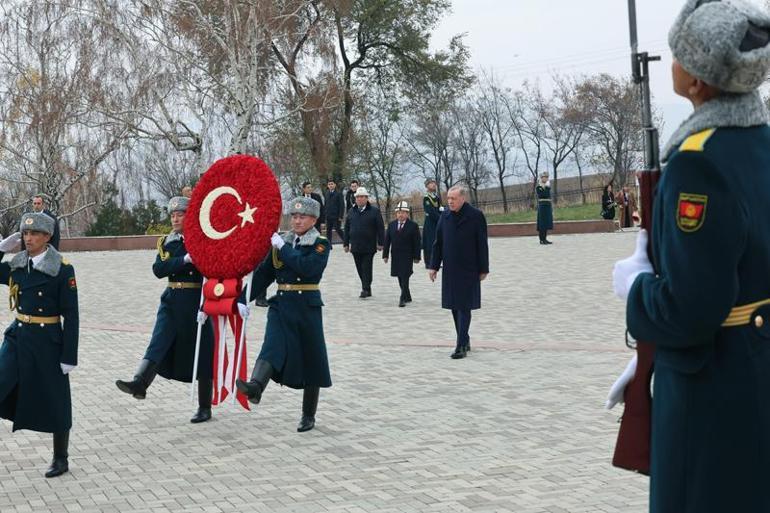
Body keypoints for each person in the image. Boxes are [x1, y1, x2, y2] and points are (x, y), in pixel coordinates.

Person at [611, 2, 770, 511]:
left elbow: (690, 309)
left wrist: (636, 287)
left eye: (679, 56)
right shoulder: (761, 144)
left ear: (698, 83)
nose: (673, 64)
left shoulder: (699, 163)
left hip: (711, 385)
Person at [235, 196, 331, 432]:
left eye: (303, 217)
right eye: (294, 216)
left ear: (314, 219)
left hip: (306, 305)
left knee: (312, 359)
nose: (297, 221)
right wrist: (242, 299)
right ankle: (256, 386)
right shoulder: (282, 242)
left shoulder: (319, 243)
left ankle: (308, 414)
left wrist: (283, 247)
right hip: (281, 303)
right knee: (272, 343)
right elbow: (264, 274)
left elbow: (308, 268)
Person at [115, 196, 215, 424]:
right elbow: (158, 269)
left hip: (196, 299)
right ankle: (140, 382)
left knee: (202, 351)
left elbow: (211, 266)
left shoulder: (203, 240)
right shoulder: (167, 242)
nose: (175, 218)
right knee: (158, 341)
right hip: (171, 299)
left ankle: (204, 406)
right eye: (172, 215)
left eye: (180, 214)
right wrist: (184, 260)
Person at [0, 213, 78, 477]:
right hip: (18, 336)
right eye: (25, 234)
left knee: (56, 399)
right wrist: (0, 249)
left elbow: (72, 315)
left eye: (34, 234)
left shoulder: (62, 269)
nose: (28, 239)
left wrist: (69, 355)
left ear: (47, 237)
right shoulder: (18, 264)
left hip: (48, 342)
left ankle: (61, 458)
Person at [428, 185, 489, 359]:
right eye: (448, 199)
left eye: (453, 199)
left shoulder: (475, 216)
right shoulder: (444, 216)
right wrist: (433, 266)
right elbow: (438, 243)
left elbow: (482, 244)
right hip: (450, 268)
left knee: (464, 306)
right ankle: (464, 337)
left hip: (469, 268)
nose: (450, 202)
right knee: (454, 306)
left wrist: (484, 268)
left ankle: (461, 344)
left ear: (463, 198)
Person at [343, 187, 384, 298]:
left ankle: (365, 288)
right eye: (358, 197)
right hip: (355, 246)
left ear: (366, 198)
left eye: (362, 197)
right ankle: (367, 287)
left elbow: (380, 228)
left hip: (369, 245)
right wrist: (346, 243)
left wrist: (381, 242)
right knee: (359, 268)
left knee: (366, 267)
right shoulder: (351, 211)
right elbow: (346, 228)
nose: (360, 199)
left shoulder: (374, 211)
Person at [383, 201, 421, 307]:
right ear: (396, 214)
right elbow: (387, 241)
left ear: (407, 214)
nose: (401, 214)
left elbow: (417, 242)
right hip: (395, 255)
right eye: (399, 212)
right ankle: (407, 295)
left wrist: (417, 256)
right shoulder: (391, 225)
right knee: (399, 276)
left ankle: (402, 297)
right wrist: (385, 255)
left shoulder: (413, 226)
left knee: (405, 276)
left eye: (403, 212)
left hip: (407, 256)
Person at [422, 178, 443, 267]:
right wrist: (440, 218)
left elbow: (439, 208)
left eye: (434, 183)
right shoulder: (427, 198)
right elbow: (430, 211)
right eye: (431, 183)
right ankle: (429, 262)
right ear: (427, 186)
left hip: (437, 222)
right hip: (430, 223)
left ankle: (436, 261)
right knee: (430, 242)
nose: (434, 185)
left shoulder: (436, 197)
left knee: (437, 241)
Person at [323, 179, 345, 244]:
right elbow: (325, 205)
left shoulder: (339, 193)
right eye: (329, 184)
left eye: (332, 184)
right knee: (328, 231)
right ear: (327, 185)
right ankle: (329, 244)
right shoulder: (326, 193)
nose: (330, 185)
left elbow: (342, 205)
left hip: (336, 216)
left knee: (338, 229)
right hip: (328, 216)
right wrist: (325, 215)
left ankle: (346, 241)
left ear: (335, 185)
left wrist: (341, 216)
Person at [536, 172, 554, 244]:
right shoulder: (539, 187)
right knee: (542, 223)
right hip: (542, 206)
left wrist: (547, 187)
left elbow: (548, 196)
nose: (546, 178)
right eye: (544, 177)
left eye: (547, 177)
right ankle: (541, 239)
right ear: (541, 178)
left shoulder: (547, 186)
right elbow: (544, 194)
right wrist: (546, 187)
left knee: (546, 223)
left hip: (547, 206)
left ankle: (545, 239)